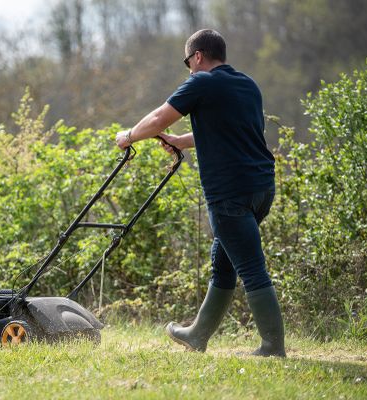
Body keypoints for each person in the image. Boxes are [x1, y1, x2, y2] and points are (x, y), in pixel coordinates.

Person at [114, 29, 285, 357]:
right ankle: (197, 335)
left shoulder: (201, 82)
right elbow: (233, 130)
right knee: (224, 263)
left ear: (197, 56)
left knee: (250, 266)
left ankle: (272, 346)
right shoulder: (247, 85)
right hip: (261, 189)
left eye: (187, 62)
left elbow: (159, 117)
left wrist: (130, 136)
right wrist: (180, 141)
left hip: (229, 193)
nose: (189, 69)